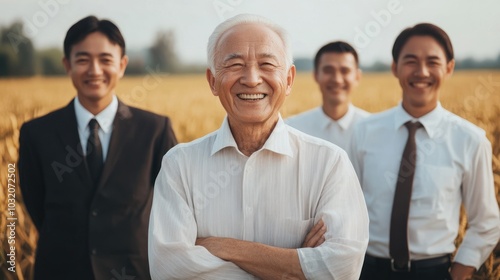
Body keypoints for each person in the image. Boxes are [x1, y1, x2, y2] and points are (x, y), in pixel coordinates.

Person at [148, 14, 369, 279]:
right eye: (235, 64)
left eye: (266, 64)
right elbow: (171, 269)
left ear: (288, 80)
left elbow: (342, 268)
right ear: (212, 81)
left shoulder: (329, 163)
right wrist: (295, 263)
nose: (252, 79)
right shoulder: (179, 165)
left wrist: (226, 247)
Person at [19, 15, 177, 279]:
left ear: (122, 65)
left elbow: (172, 207)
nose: (94, 70)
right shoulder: (36, 133)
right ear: (67, 65)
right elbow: (37, 206)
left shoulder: (154, 130)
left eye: (105, 60)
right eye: (82, 59)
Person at [350, 23, 500, 280]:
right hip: (366, 270)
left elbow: (486, 222)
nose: (421, 72)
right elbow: (345, 208)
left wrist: (458, 273)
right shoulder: (363, 131)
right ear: (395, 68)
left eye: (433, 62)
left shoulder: (470, 140)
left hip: (434, 272)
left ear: (449, 68)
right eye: (411, 61)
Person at [286, 41, 369, 157]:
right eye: (328, 70)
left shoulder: (374, 129)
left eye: (345, 71)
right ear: (315, 75)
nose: (337, 79)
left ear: (357, 76)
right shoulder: (292, 128)